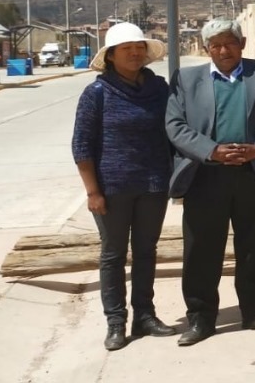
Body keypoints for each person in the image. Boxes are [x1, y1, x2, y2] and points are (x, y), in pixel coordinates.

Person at [165, 19, 255, 346]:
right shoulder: (187, 79)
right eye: (216, 44)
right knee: (202, 251)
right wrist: (213, 151)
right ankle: (201, 318)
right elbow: (175, 126)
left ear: (243, 43)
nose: (224, 50)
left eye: (230, 43)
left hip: (254, 173)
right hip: (206, 175)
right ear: (207, 49)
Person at [71, 22, 175, 351]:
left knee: (146, 252)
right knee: (113, 255)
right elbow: (81, 146)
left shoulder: (159, 88)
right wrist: (92, 192)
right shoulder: (97, 93)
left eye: (139, 46)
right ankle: (116, 322)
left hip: (153, 184)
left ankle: (145, 315)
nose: (134, 52)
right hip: (112, 188)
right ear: (111, 56)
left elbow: (175, 128)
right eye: (126, 48)